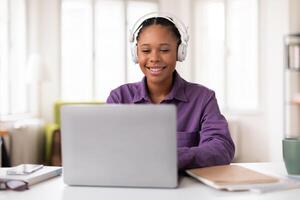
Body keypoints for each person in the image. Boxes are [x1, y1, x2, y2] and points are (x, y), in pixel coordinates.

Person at [106, 12, 235, 171]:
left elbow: (221, 148)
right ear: (136, 54)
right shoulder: (119, 98)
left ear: (180, 52)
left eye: (165, 50)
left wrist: (173, 157)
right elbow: (106, 149)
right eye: (146, 51)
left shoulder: (203, 98)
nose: (154, 58)